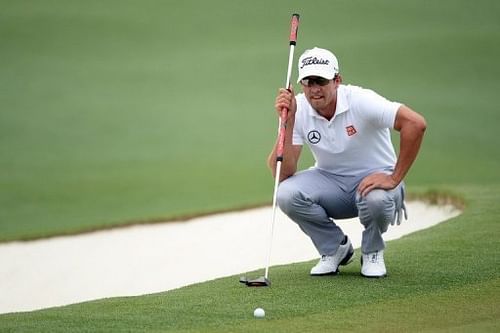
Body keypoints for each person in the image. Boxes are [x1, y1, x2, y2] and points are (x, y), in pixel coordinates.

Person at [268, 47, 426, 278]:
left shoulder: (361, 100)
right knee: (286, 193)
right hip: (331, 182)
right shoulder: (297, 108)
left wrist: (394, 177)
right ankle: (334, 249)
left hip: (377, 180)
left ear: (337, 80)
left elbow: (416, 123)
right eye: (308, 82)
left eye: (321, 81)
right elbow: (282, 173)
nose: (314, 89)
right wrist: (288, 122)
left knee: (377, 200)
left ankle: (372, 251)